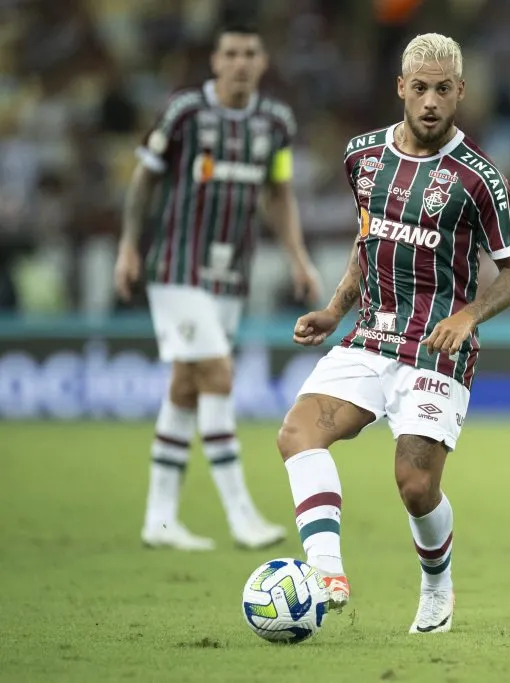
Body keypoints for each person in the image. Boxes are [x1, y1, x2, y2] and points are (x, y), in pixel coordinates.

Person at [275, 33, 510, 634]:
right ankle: (325, 573)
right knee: (296, 432)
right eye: (420, 88)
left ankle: (437, 584)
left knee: (415, 488)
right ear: (401, 88)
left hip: (437, 350)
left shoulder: (480, 180)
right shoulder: (362, 157)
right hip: (371, 334)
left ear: (461, 92)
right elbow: (369, 241)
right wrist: (336, 308)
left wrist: (468, 316)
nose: (431, 102)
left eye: (444, 90)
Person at [115, 23, 321, 552]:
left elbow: (279, 191)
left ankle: (159, 521)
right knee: (218, 372)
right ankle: (240, 513)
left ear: (263, 60)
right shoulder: (184, 113)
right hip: (178, 269)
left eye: (250, 52)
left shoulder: (276, 123)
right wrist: (128, 246)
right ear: (215, 61)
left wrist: (298, 258)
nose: (240, 62)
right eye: (230, 53)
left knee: (186, 386)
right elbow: (145, 177)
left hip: (232, 277)